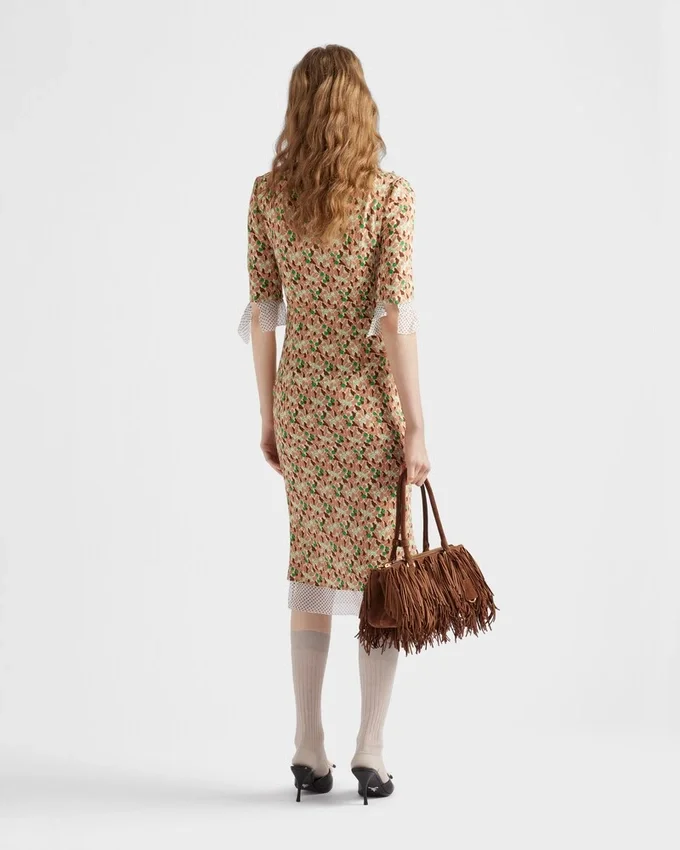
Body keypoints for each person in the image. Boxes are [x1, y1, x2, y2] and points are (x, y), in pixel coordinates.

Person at [238, 44, 430, 804]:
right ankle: (370, 749)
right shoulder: (390, 197)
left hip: (304, 407)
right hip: (369, 408)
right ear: (360, 107)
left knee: (312, 570)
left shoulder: (267, 197)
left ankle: (307, 745)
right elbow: (397, 318)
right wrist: (417, 426)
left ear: (299, 108)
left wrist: (268, 414)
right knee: (382, 574)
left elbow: (265, 315)